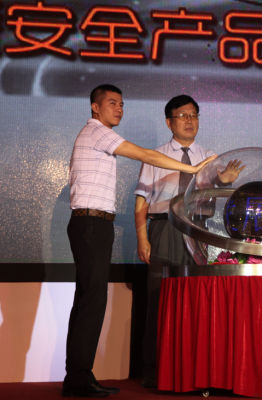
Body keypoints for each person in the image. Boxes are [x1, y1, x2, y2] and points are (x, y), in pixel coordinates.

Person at [64, 84, 216, 398]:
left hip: (97, 224)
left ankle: (78, 376)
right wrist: (189, 169)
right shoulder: (96, 131)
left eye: (121, 104)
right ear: (95, 107)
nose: (119, 109)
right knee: (92, 301)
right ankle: (79, 377)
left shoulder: (99, 134)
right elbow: (145, 154)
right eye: (112, 103)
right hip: (91, 223)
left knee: (90, 300)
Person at [134, 95, 243, 388]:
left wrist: (223, 181)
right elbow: (141, 201)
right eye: (183, 116)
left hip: (199, 231)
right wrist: (142, 239)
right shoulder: (155, 156)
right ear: (169, 122)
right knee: (160, 299)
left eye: (194, 115)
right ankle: (155, 372)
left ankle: (195, 371)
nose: (189, 120)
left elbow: (218, 191)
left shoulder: (210, 157)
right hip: (164, 228)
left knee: (198, 301)